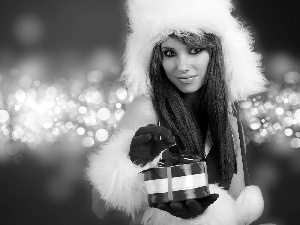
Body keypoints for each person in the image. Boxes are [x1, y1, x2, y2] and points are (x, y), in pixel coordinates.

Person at [87, 0, 268, 224]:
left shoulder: (227, 116)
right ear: (157, 59)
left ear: (216, 53)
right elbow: (101, 206)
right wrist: (132, 164)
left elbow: (238, 204)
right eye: (170, 53)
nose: (182, 66)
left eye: (194, 50)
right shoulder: (147, 109)